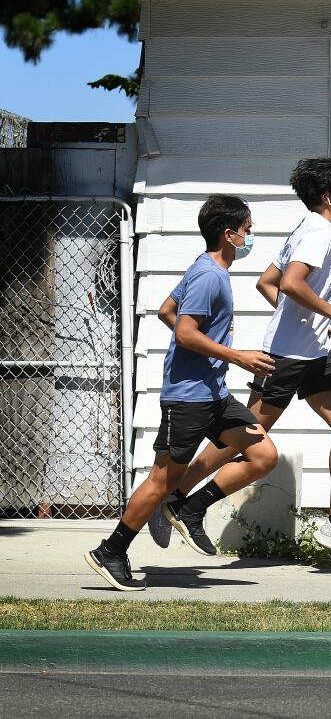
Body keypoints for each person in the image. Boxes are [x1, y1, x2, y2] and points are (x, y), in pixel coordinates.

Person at [148, 158, 331, 565]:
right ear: (328, 197)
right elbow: (289, 284)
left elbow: (266, 283)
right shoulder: (319, 233)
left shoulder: (309, 229)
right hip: (287, 357)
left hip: (312, 352)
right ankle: (179, 496)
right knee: (240, 440)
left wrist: (309, 320)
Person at [85, 195, 278, 590]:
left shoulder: (205, 269)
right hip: (188, 398)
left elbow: (165, 311)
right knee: (161, 480)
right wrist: (235, 356)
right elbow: (185, 330)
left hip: (214, 394)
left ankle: (189, 509)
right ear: (229, 234)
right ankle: (112, 550)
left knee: (263, 454)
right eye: (248, 230)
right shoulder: (210, 276)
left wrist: (211, 356)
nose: (250, 237)